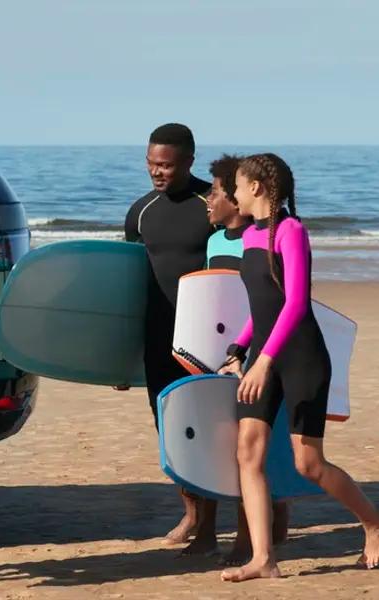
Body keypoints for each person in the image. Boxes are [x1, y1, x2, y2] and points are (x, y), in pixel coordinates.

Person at [219, 153, 379, 582]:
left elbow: (296, 303)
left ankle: (375, 520)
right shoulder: (248, 237)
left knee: (308, 464)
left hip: (299, 358)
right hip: (263, 356)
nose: (233, 194)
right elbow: (261, 306)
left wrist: (264, 360)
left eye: (237, 186)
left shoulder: (290, 231)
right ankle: (264, 558)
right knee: (248, 451)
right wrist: (239, 348)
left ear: (256, 187)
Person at [183, 154, 293, 560]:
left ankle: (253, 533)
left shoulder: (266, 235)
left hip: (262, 353)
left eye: (214, 192)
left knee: (254, 446)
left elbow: (279, 300)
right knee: (224, 441)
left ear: (237, 195)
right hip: (225, 355)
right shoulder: (215, 242)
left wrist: (257, 354)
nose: (207, 199)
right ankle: (211, 531)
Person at [122, 123, 215, 546]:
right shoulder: (140, 211)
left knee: (207, 429)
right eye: (152, 164)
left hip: (204, 338)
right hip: (158, 337)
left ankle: (211, 524)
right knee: (169, 429)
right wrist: (121, 355)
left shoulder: (211, 205)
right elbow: (128, 286)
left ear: (189, 162)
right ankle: (192, 514)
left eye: (167, 165)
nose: (157, 172)